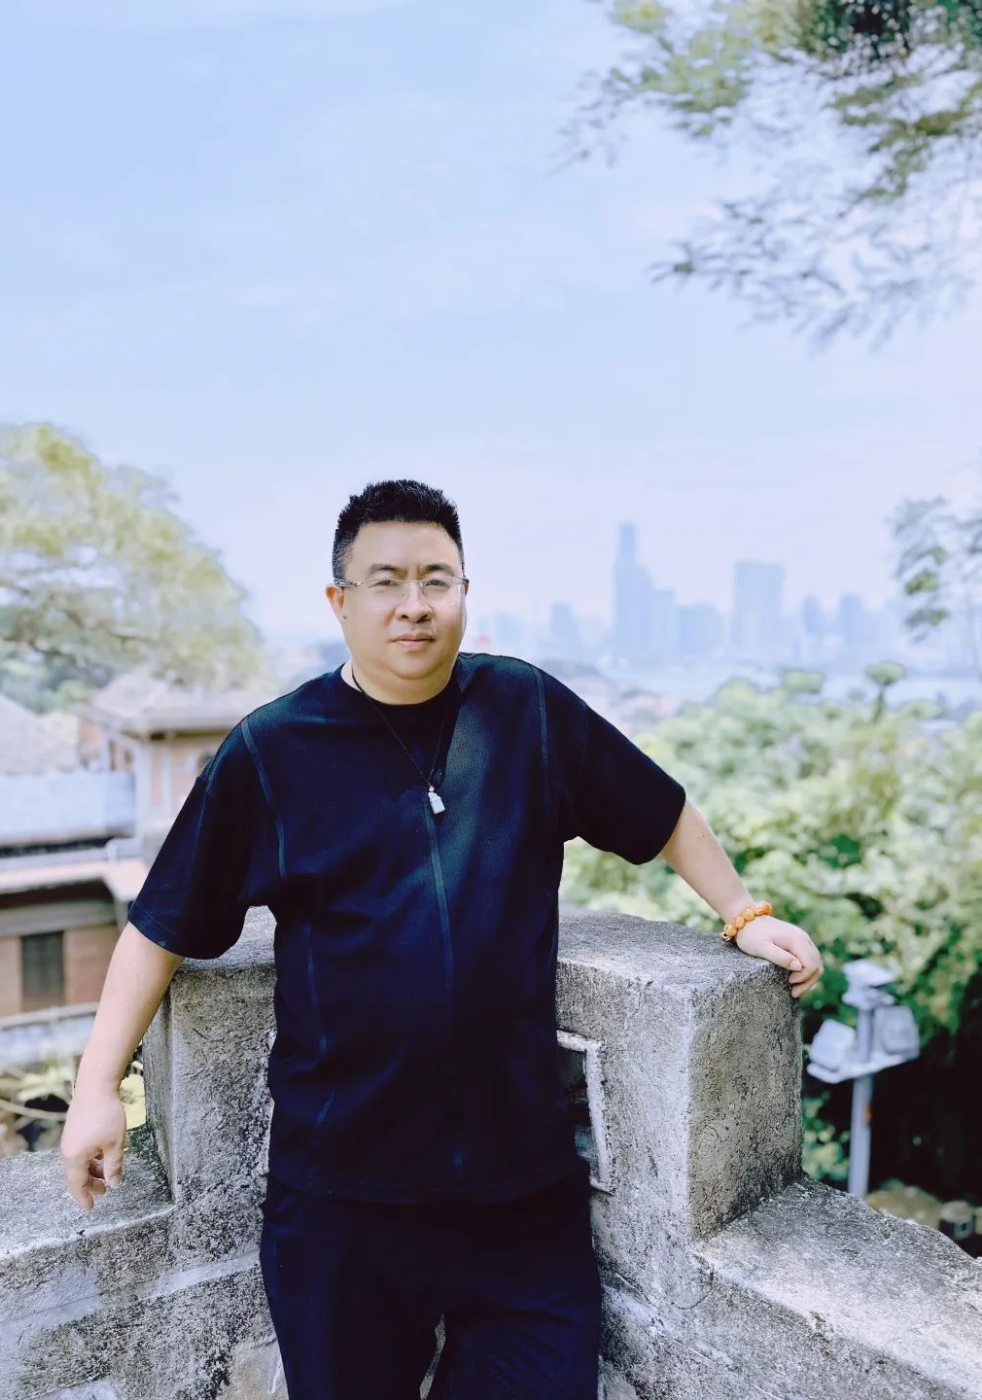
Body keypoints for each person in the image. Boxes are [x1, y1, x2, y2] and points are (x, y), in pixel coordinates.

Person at [61, 479, 824, 1400]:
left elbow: (660, 810)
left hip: (521, 1193)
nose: (414, 605)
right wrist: (97, 1089)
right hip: (343, 1200)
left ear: (465, 592)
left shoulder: (523, 709)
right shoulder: (273, 751)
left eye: (437, 580)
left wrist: (744, 913)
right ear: (340, 602)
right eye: (385, 582)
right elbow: (161, 926)